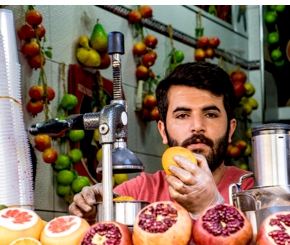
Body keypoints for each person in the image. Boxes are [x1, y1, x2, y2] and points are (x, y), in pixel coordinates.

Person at [70, 63, 253, 222]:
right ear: (163, 131)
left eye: (211, 114)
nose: (197, 126)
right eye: (182, 115)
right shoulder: (139, 192)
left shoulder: (255, 190)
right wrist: (96, 217)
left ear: (230, 129)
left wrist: (212, 206)